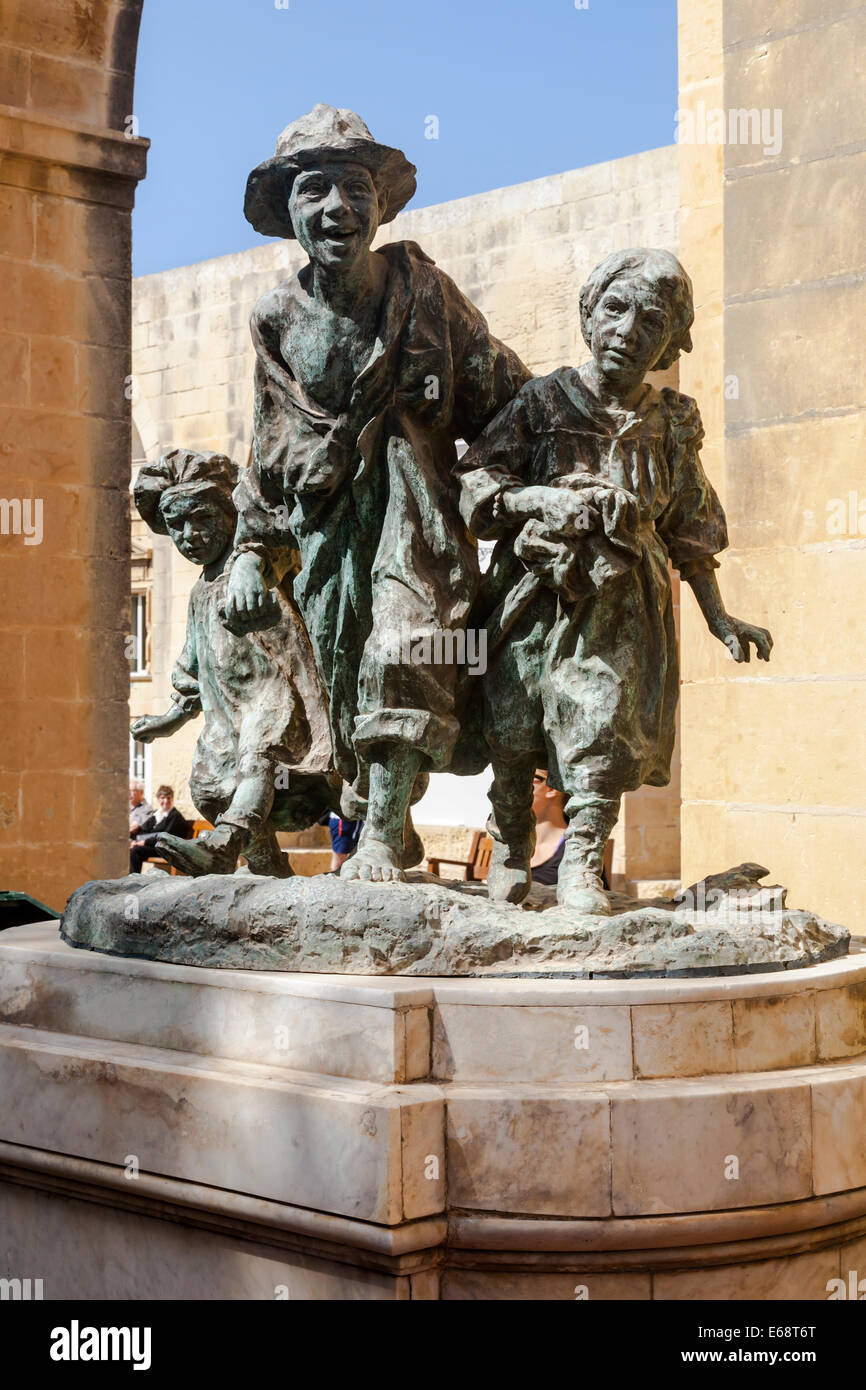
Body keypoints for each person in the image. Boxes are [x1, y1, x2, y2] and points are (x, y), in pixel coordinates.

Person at [224, 105, 530, 884]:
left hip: (417, 520)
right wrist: (255, 551)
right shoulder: (275, 321)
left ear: (379, 205)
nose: (337, 209)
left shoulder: (425, 290)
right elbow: (266, 447)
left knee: (407, 647)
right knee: (345, 672)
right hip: (330, 536)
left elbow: (504, 397)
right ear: (290, 210)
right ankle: (373, 807)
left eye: (355, 188)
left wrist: (526, 477)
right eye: (315, 190)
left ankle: (388, 837)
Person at [458, 248, 773, 913]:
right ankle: (512, 844)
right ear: (589, 315)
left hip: (622, 603)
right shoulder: (540, 402)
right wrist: (537, 502)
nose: (630, 330)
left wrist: (721, 618)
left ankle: (581, 867)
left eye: (652, 319)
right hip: (531, 599)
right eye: (616, 308)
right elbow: (476, 488)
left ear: (670, 340)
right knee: (513, 729)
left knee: (601, 723)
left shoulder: (671, 423)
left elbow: (690, 524)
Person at [130, 448, 336, 877]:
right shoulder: (199, 591)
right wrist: (169, 719)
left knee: (256, 760)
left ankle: (223, 846)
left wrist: (252, 564)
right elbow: (193, 669)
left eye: (201, 519)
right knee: (208, 786)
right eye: (177, 525)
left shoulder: (256, 565)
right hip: (227, 717)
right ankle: (266, 865)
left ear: (230, 513)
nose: (189, 535)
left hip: (276, 698)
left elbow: (288, 550)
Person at [129, 786, 188, 873]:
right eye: (162, 798)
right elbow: (144, 830)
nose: (166, 801)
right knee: (131, 848)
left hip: (167, 849)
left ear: (172, 799)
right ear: (158, 799)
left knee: (136, 851)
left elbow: (165, 837)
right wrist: (135, 840)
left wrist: (145, 842)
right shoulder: (156, 814)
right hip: (155, 846)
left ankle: (133, 881)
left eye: (169, 798)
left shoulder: (175, 816)